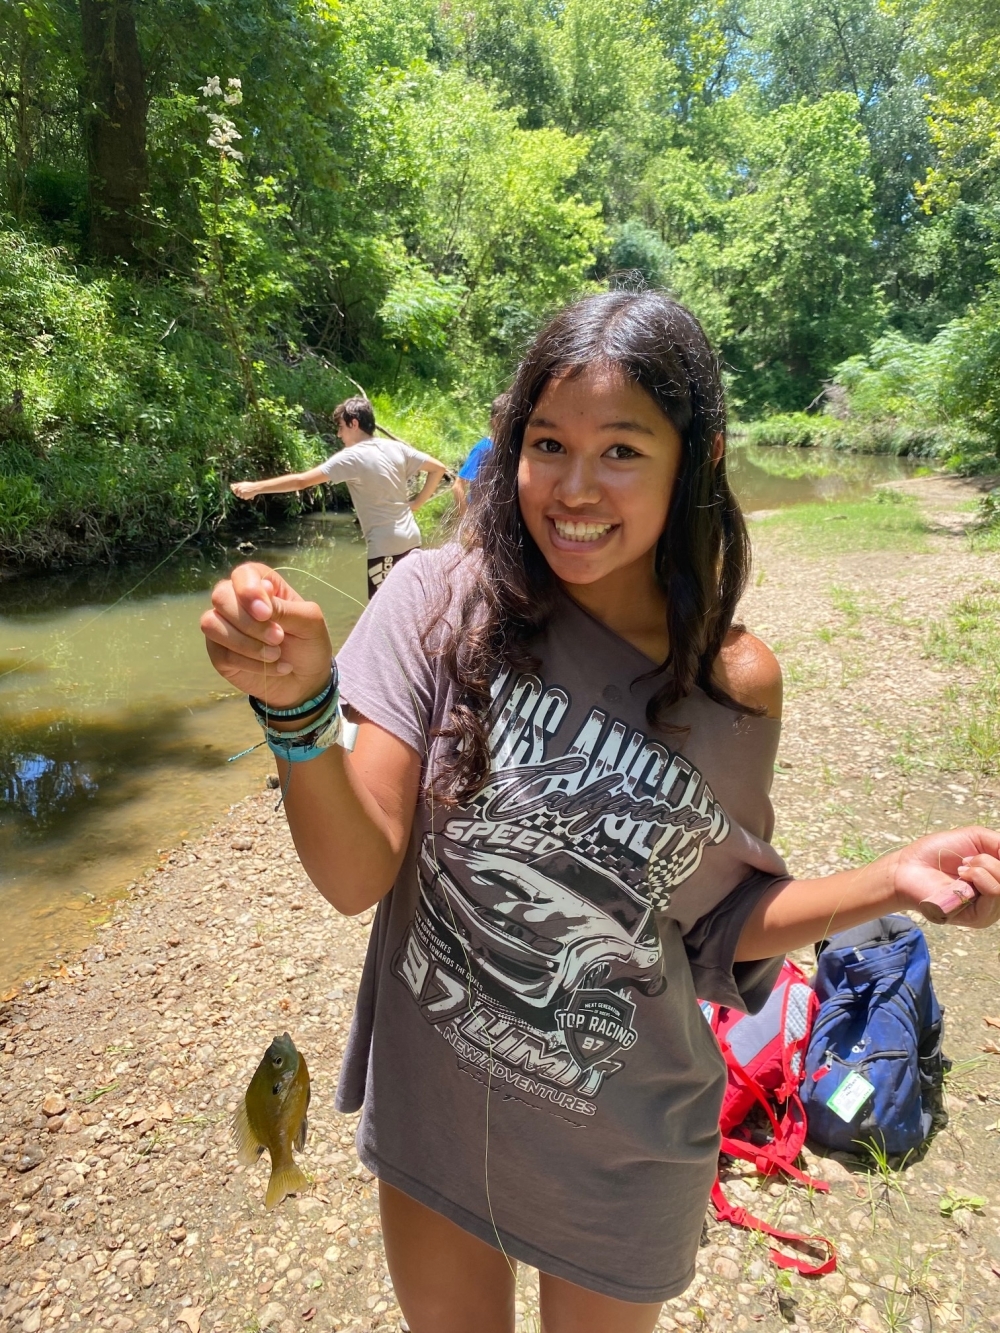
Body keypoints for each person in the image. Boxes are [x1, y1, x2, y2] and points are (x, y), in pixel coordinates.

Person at [202, 291, 1000, 1333]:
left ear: (698, 457)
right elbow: (356, 875)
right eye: (546, 443)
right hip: (436, 1112)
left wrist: (888, 882)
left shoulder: (733, 681)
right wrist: (297, 707)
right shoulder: (435, 603)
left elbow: (714, 927)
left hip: (623, 1138)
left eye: (621, 449)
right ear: (511, 445)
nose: (574, 488)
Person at [230, 396, 448, 598]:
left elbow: (301, 481)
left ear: (354, 423)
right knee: (410, 606)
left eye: (341, 427)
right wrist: (417, 503)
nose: (338, 434)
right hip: (412, 539)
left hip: (385, 547)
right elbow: (438, 468)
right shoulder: (395, 448)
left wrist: (256, 487)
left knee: (383, 617)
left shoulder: (351, 457)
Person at [451, 394, 507, 513]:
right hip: (481, 517)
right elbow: (458, 485)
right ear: (495, 421)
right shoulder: (483, 448)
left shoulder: (513, 449)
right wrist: (467, 523)